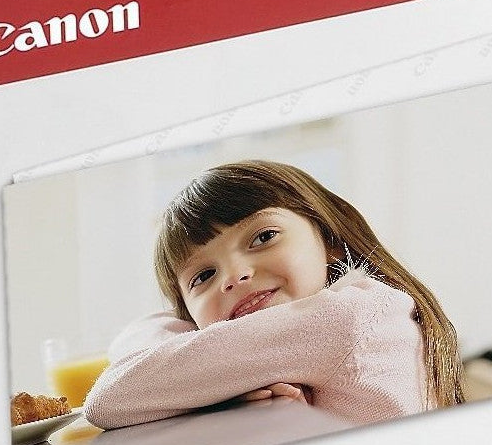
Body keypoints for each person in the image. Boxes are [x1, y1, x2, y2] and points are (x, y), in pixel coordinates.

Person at [83, 160, 464, 430]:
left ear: (330, 241)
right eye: (204, 275)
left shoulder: (343, 318)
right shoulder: (365, 309)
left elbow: (110, 398)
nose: (235, 276)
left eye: (263, 237)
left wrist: (205, 385)